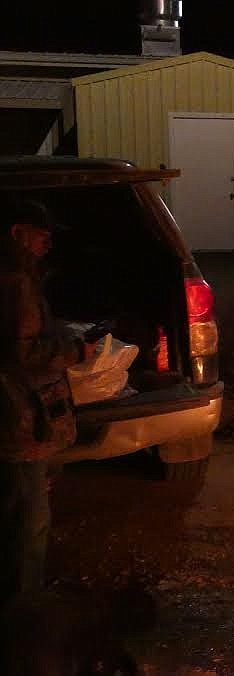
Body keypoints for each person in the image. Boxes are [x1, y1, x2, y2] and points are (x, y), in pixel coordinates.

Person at [0, 199, 94, 609]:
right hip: (18, 420)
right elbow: (28, 356)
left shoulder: (16, 277)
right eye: (41, 234)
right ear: (17, 233)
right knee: (29, 522)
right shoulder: (16, 283)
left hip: (10, 415)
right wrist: (75, 351)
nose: (48, 242)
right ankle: (24, 614)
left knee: (13, 512)